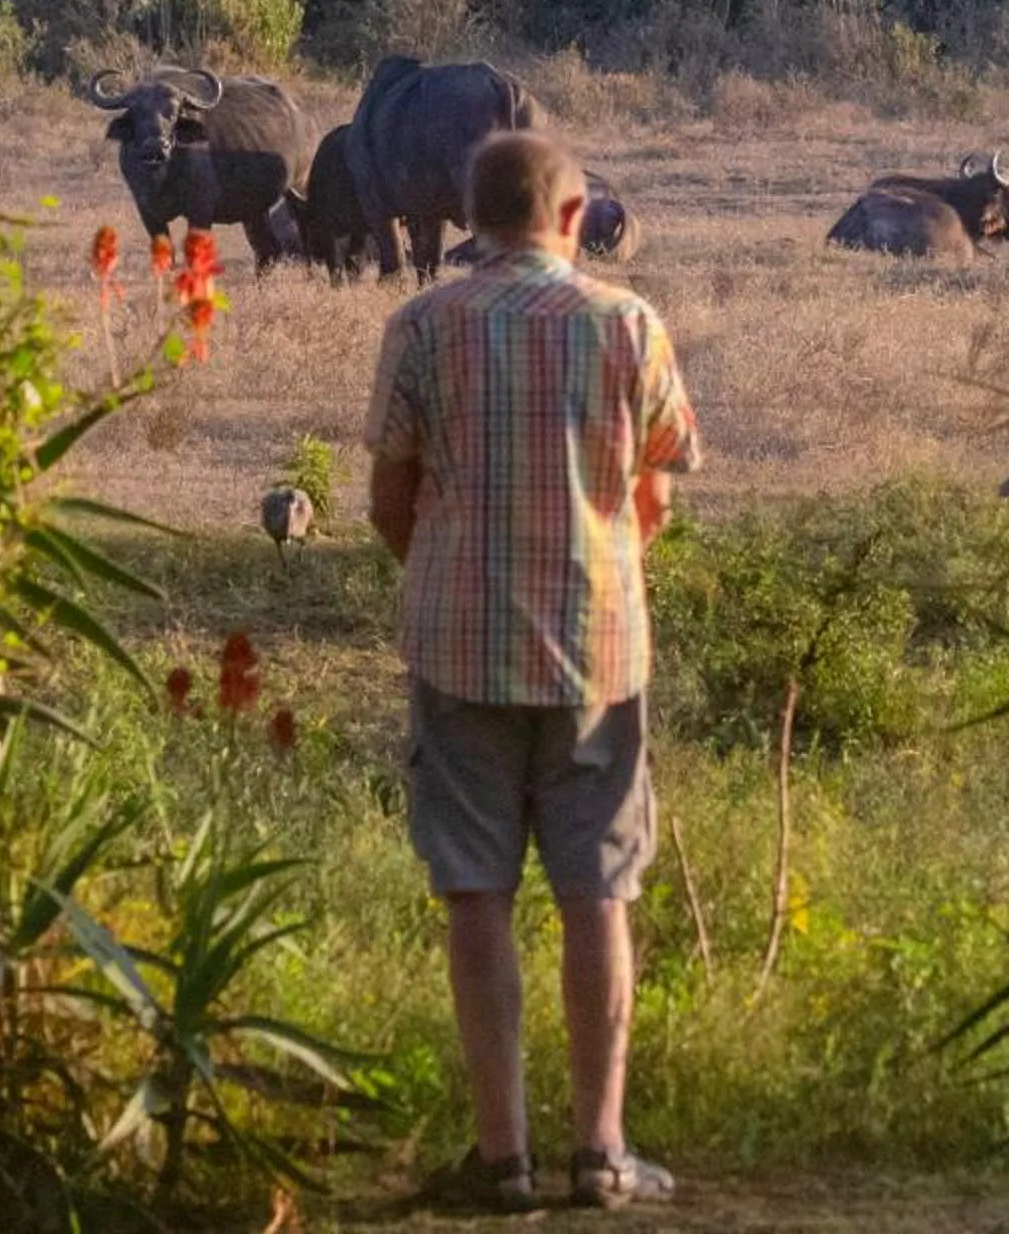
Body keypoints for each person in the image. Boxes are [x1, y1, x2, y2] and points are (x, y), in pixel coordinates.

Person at [363, 130, 701, 1213]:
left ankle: (501, 1154)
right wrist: (597, 566)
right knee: (598, 889)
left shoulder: (421, 324)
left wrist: (456, 573)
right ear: (574, 214)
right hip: (597, 649)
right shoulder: (627, 323)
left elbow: (387, 501)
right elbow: (653, 498)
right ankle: (600, 1149)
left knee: (477, 891)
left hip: (457, 645)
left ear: (471, 213)